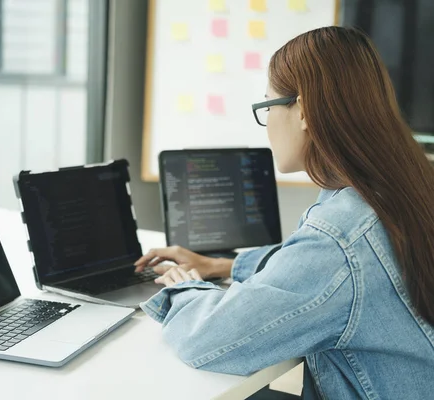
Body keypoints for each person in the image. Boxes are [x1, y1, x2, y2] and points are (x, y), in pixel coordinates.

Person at [134, 26, 434, 399]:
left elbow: (209, 339)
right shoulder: (404, 187)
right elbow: (313, 271)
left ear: (304, 110)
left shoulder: (340, 234)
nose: (267, 124)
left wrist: (182, 285)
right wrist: (225, 266)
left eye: (266, 107)